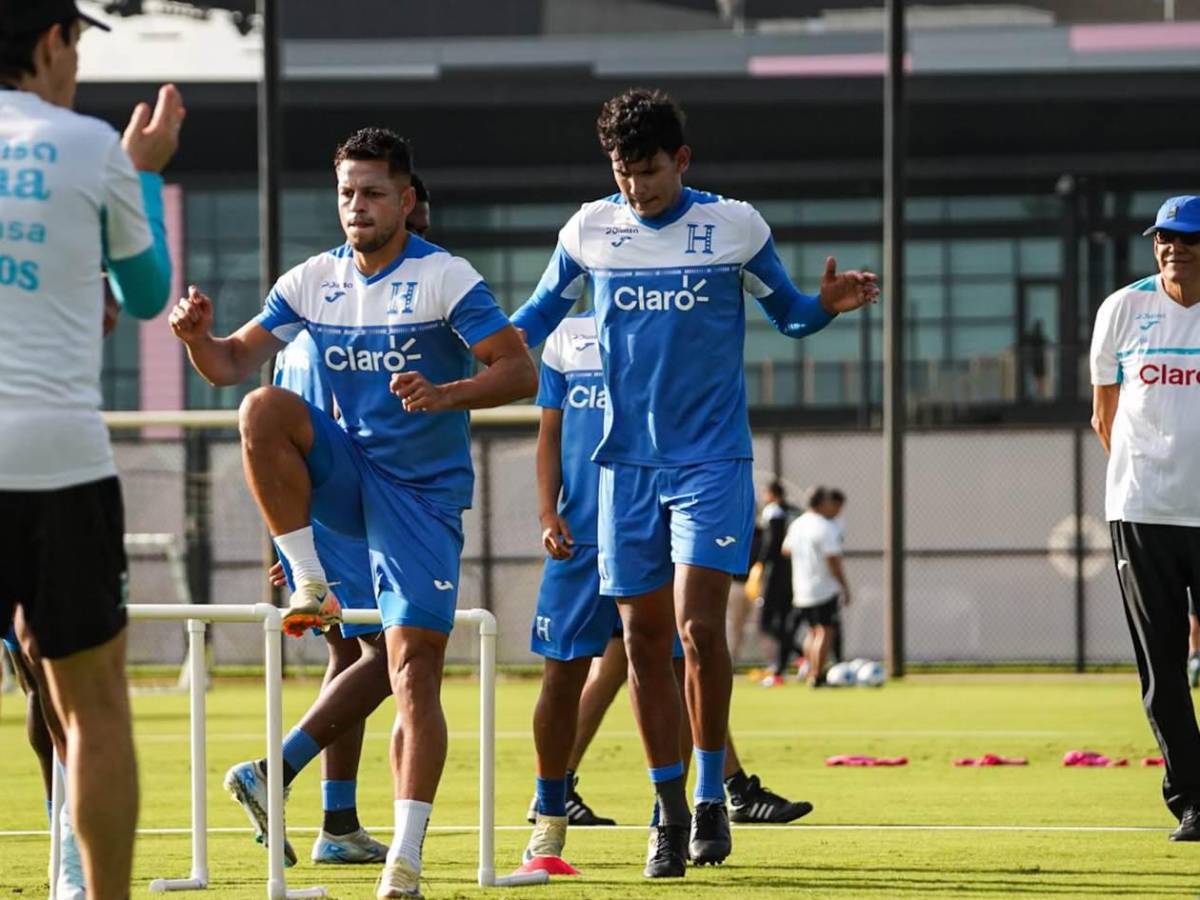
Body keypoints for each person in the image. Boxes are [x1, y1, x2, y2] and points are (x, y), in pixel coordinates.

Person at [511, 87, 876, 877]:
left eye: (647, 171)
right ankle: (669, 807)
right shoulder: (589, 229)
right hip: (624, 471)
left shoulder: (734, 226)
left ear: (682, 160)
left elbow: (790, 315)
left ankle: (711, 796)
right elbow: (533, 320)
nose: (634, 188)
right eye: (621, 172)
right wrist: (464, 347)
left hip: (712, 463)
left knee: (698, 630)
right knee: (641, 641)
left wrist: (828, 307)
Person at [170, 127, 535, 899]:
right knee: (263, 405)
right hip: (343, 477)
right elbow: (232, 364)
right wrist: (200, 340)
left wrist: (446, 394)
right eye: (345, 194)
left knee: (410, 671)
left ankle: (402, 856)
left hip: (419, 496)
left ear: (405, 200)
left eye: (371, 193)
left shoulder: (445, 278)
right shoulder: (310, 280)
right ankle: (307, 581)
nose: (356, 207)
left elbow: (518, 370)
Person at [0, 2, 182, 896]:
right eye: (74, 42)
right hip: (60, 464)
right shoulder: (88, 144)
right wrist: (141, 173)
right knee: (95, 709)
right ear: (48, 44)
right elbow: (148, 294)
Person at [225, 187, 437, 868]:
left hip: (318, 512)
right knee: (388, 659)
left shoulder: (317, 318)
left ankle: (338, 824)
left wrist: (288, 541)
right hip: (356, 502)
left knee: (352, 658)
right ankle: (274, 770)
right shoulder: (338, 326)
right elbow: (307, 434)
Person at [1090, 194, 1200, 842]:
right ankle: (1192, 798)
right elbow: (1104, 415)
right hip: (1142, 514)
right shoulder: (1123, 309)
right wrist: (1150, 482)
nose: (1174, 248)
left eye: (1188, 238)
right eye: (1165, 238)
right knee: (1162, 670)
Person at [520, 312, 619, 868]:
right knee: (561, 678)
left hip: (648, 533)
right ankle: (549, 817)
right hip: (577, 538)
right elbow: (549, 433)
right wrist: (546, 513)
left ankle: (677, 819)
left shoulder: (667, 321)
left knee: (673, 673)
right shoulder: (565, 335)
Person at [781, 487, 849, 687]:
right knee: (825, 631)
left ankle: (810, 671)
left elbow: (786, 549)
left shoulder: (798, 524)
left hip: (801, 586)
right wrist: (844, 586)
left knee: (812, 631)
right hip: (822, 586)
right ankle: (817, 676)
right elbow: (833, 559)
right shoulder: (824, 526)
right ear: (823, 503)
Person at [751, 480, 799, 686]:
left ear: (772, 494)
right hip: (794, 573)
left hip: (776, 573)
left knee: (766, 622)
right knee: (783, 621)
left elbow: (771, 543)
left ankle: (800, 654)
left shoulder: (774, 512)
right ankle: (780, 668)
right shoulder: (796, 512)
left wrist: (760, 565)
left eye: (765, 493)